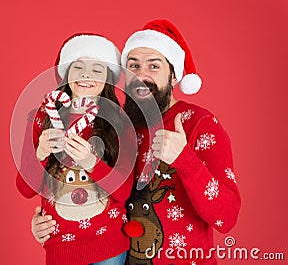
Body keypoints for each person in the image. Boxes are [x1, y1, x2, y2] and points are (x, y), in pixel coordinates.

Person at [30, 19, 241, 265]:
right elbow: (97, 189)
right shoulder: (117, 125)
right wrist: (49, 222)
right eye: (133, 66)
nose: (141, 75)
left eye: (154, 66)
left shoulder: (200, 124)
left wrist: (185, 160)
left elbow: (227, 217)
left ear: (173, 75)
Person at [16, 34, 136, 265]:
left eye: (97, 70)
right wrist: (40, 153)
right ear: (66, 73)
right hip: (61, 246)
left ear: (109, 78)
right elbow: (25, 188)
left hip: (108, 245)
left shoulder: (121, 123)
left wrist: (91, 161)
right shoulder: (44, 117)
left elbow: (123, 192)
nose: (86, 76)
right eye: (78, 67)